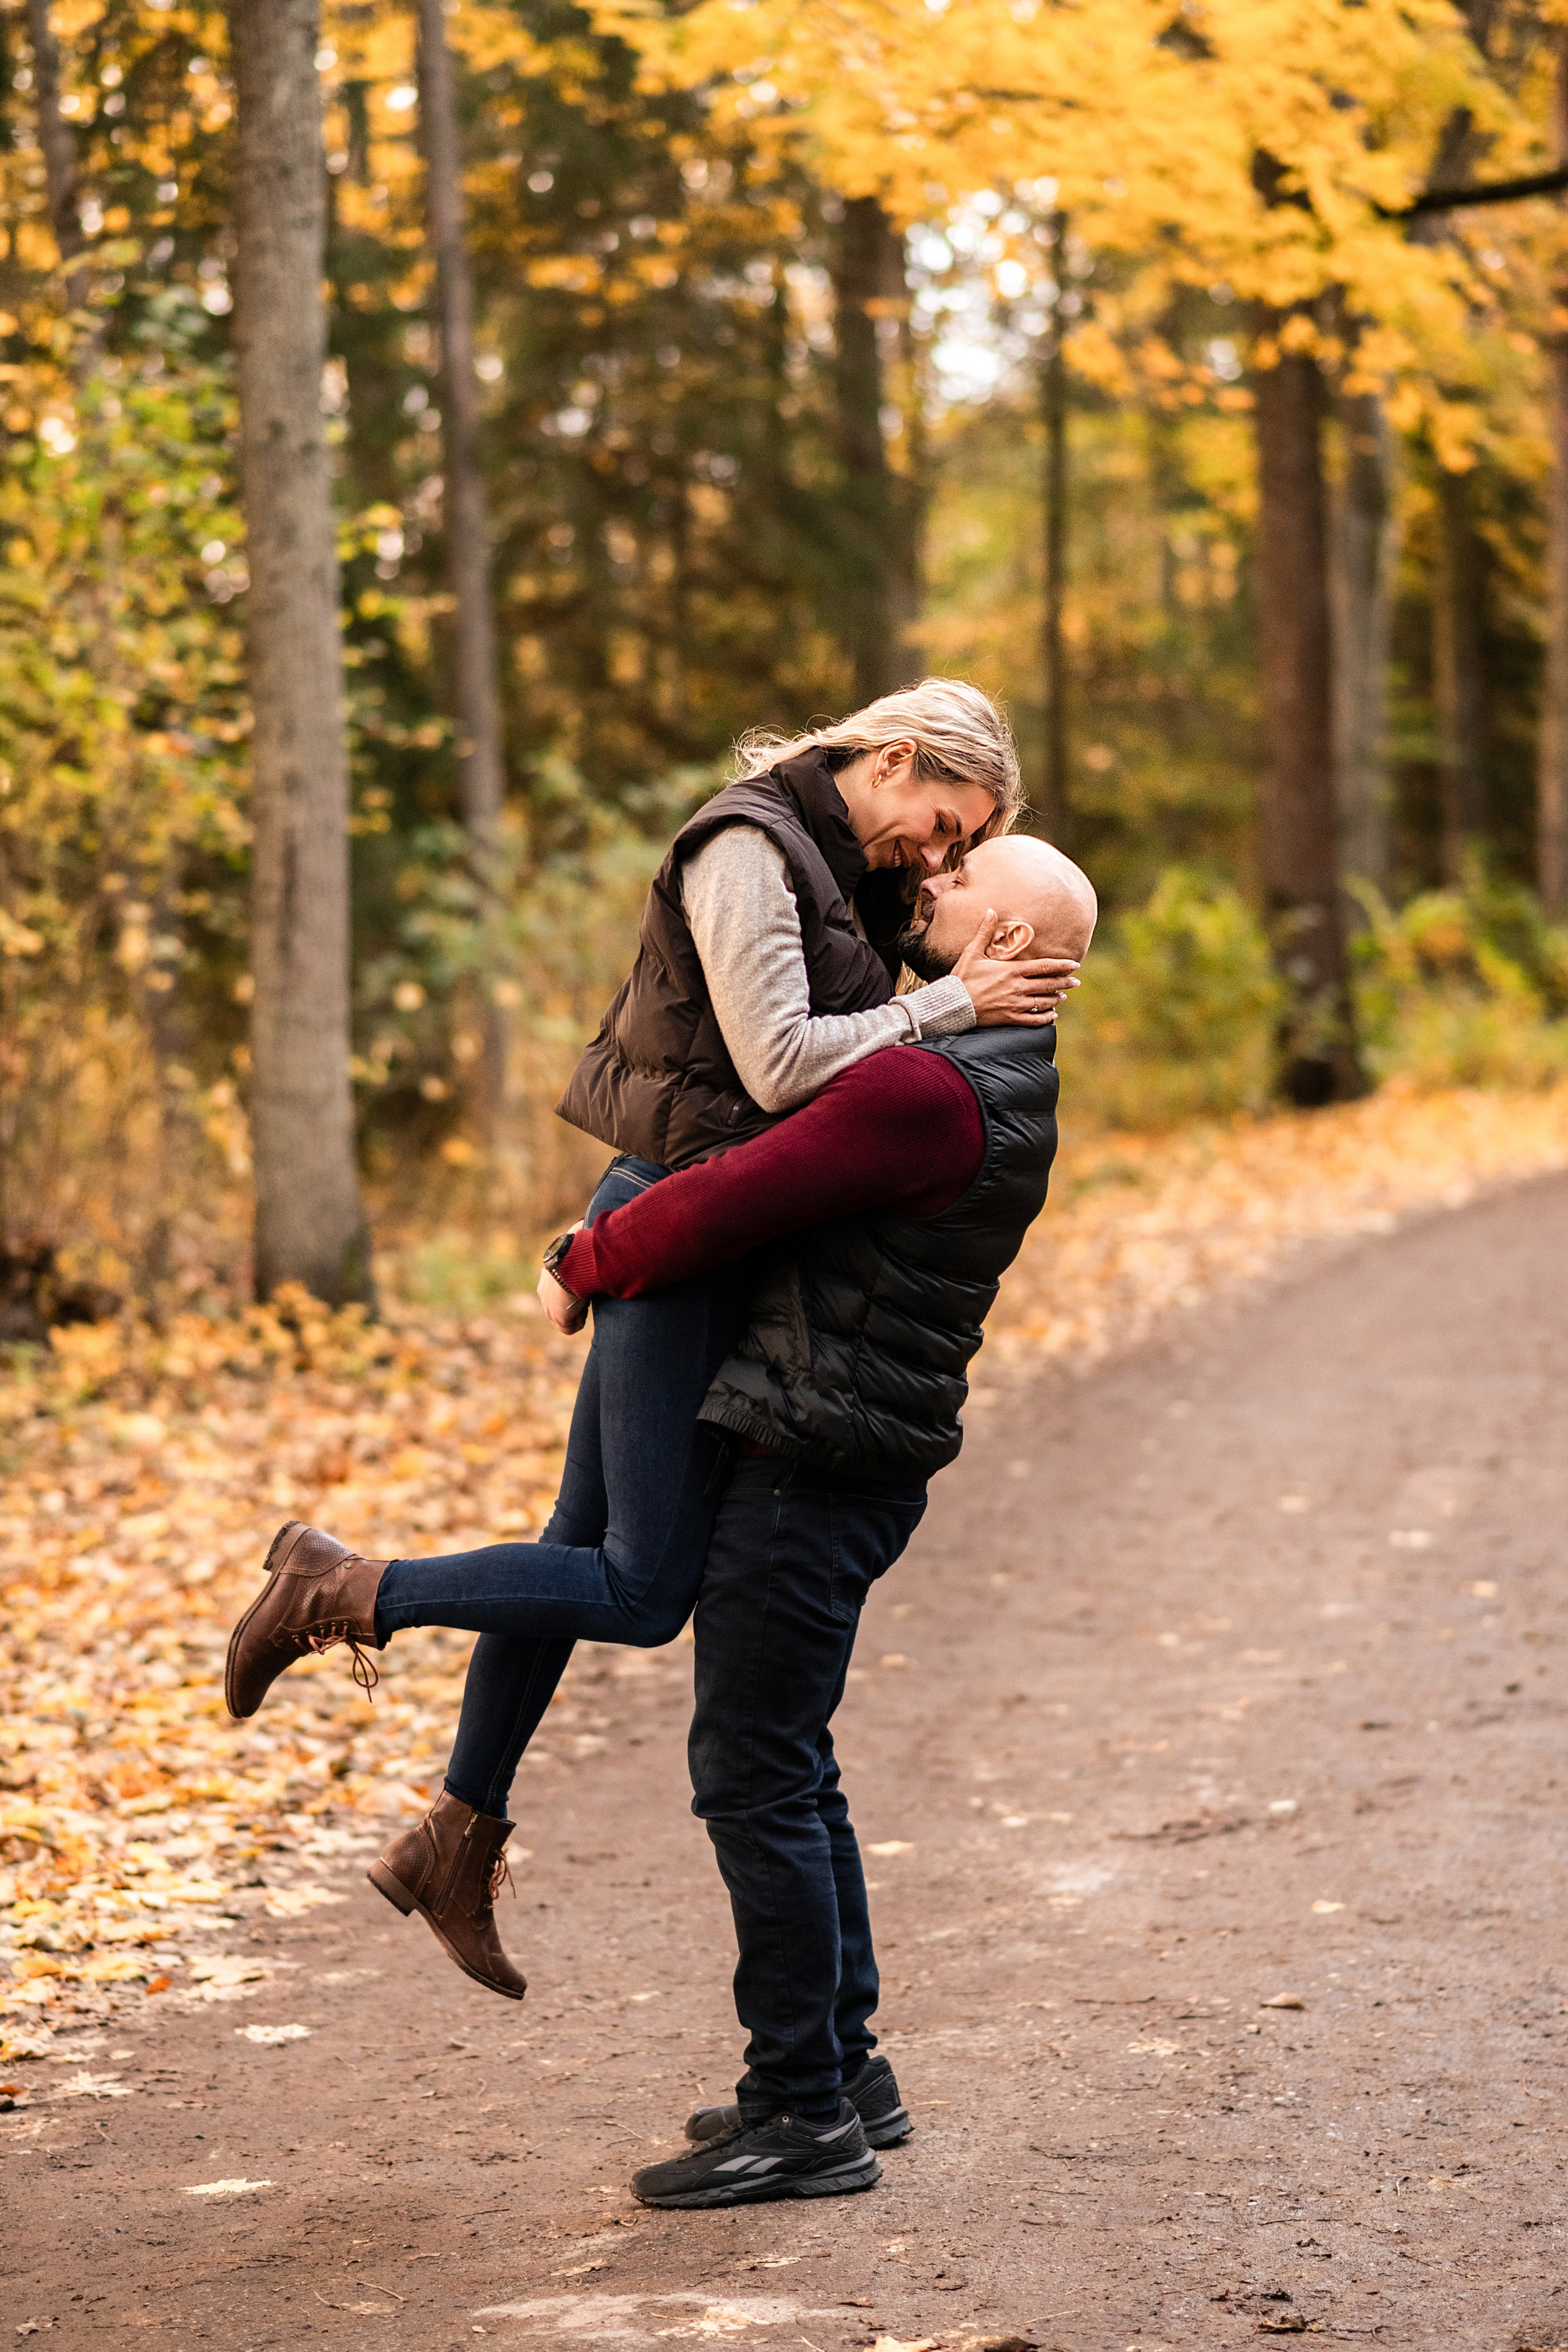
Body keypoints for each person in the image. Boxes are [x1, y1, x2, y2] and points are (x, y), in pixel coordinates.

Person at [223, 682, 1078, 2003]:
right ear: (895, 757)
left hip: (700, 1224)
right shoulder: (745, 850)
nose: (936, 855)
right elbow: (787, 1065)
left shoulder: (844, 861)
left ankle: (458, 1835)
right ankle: (341, 1586)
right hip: (674, 1226)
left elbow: (918, 1000)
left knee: (578, 1541)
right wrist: (955, 1002)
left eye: (958, 851)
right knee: (638, 1584)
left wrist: (1004, 972)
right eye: (941, 823)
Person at [529, 834, 1098, 2207]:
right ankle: (843, 2071)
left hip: (807, 1456)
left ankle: (800, 2114)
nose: (939, 879)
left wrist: (585, 1259)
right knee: (792, 1764)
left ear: (1008, 942)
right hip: (848, 1454)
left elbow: (731, 1198)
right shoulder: (996, 1067)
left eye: (966, 878)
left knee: (753, 1776)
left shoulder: (921, 1085)